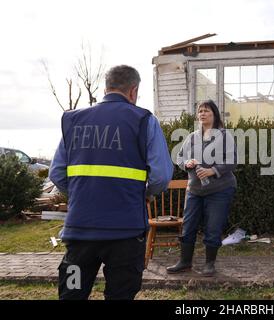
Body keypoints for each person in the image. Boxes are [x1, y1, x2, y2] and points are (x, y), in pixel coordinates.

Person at [49, 65, 173, 300]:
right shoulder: (144, 121)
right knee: (120, 294)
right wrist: (145, 194)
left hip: (80, 236)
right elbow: (161, 176)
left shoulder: (73, 120)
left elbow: (56, 174)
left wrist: (79, 195)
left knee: (72, 292)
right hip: (125, 234)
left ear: (105, 88)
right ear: (133, 91)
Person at [167, 100, 237, 276]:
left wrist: (212, 170)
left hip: (219, 190)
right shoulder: (191, 137)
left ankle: (209, 264)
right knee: (188, 226)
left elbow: (232, 160)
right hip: (195, 190)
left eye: (206, 111)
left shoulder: (224, 135)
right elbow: (179, 157)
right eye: (200, 111)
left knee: (213, 227)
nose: (202, 114)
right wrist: (187, 163)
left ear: (214, 115)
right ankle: (184, 262)